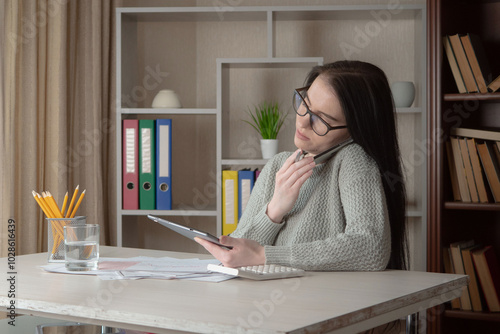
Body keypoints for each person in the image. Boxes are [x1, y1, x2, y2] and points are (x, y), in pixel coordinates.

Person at [195, 60, 408, 274]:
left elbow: (371, 247)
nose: (302, 121)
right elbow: (238, 253)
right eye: (305, 103)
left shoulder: (352, 160)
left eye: (321, 120)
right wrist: (274, 210)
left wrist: (265, 256)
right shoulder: (278, 164)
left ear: (355, 129)